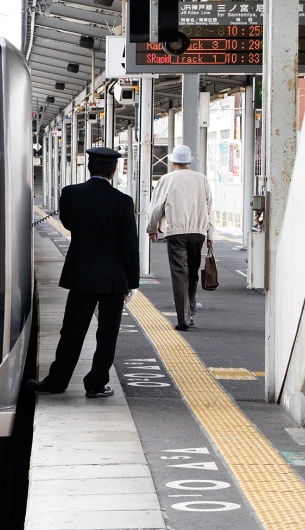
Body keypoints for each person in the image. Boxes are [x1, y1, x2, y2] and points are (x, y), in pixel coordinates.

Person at [28, 146, 140, 398]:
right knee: (107, 335)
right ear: (113, 170)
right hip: (113, 278)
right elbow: (129, 245)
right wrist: (133, 281)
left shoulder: (70, 194)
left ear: (89, 167)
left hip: (80, 275)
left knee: (71, 331)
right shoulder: (123, 202)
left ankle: (57, 381)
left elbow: (67, 223)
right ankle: (96, 384)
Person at [146, 144, 215, 332]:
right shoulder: (201, 179)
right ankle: (190, 310)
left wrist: (152, 228)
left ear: (173, 162)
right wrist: (210, 234)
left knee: (179, 274)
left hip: (176, 232)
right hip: (198, 232)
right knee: (192, 273)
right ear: (190, 161)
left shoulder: (166, 179)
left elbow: (156, 206)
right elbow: (210, 208)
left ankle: (183, 318)